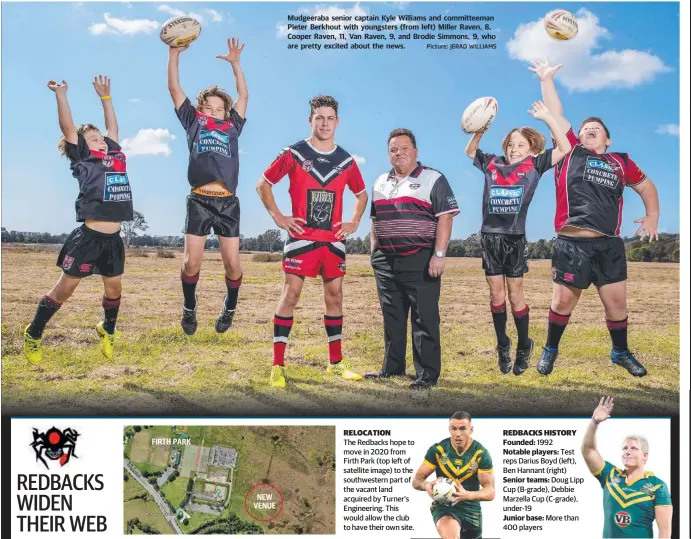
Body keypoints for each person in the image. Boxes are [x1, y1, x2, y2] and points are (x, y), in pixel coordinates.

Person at [531, 58, 661, 377]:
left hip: (608, 246)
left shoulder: (621, 161)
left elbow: (647, 187)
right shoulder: (570, 150)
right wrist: (546, 80)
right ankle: (550, 350)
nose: (589, 130)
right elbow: (557, 116)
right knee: (562, 304)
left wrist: (652, 216)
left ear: (608, 140)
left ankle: (620, 352)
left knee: (617, 305)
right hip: (571, 244)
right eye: (586, 128)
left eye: (596, 129)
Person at [256, 95, 368, 388]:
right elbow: (262, 184)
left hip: (333, 242)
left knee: (334, 299)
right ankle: (277, 366)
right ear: (310, 120)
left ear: (337, 122)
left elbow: (362, 194)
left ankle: (335, 364)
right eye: (319, 117)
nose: (325, 123)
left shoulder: (345, 160)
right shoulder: (293, 154)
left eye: (330, 118)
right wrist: (279, 217)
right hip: (301, 239)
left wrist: (354, 222)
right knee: (290, 296)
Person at [23, 76, 133, 363]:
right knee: (65, 289)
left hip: (113, 239)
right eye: (94, 139)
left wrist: (106, 99)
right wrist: (61, 95)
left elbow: (114, 128)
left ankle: (107, 330)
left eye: (102, 139)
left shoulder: (116, 155)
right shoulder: (83, 159)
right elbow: (67, 128)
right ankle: (34, 333)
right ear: (82, 146)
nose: (102, 141)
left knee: (114, 288)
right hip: (88, 238)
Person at [465, 101, 572, 375]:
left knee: (515, 295)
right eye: (511, 144)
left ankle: (525, 344)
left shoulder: (535, 165)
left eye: (521, 145)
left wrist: (548, 118)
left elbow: (564, 148)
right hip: (490, 237)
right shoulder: (493, 163)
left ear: (532, 150)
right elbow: (470, 151)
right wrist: (480, 128)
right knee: (496, 295)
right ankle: (503, 344)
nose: (514, 149)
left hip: (514, 238)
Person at [366, 129, 459, 390]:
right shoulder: (379, 182)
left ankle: (426, 375)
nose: (399, 153)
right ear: (388, 154)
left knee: (424, 318)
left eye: (405, 148)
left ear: (416, 152)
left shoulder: (433, 178)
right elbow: (375, 219)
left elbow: (446, 217)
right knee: (392, 316)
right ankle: (392, 368)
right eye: (394, 149)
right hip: (386, 261)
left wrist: (439, 255)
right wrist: (374, 252)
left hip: (420, 258)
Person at [167, 37, 248, 335]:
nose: (214, 111)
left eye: (219, 108)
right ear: (201, 108)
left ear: (226, 112)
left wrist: (235, 64)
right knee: (191, 264)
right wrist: (174, 53)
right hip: (199, 201)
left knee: (233, 266)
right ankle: (189, 308)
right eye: (209, 107)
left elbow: (243, 96)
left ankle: (230, 306)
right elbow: (174, 88)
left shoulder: (233, 125)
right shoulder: (194, 121)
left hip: (228, 202)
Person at [582, 397, 673, 538]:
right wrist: (595, 421)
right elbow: (588, 451)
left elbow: (665, 532)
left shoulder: (657, 486)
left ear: (645, 456)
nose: (627, 452)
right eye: (625, 448)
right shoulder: (610, 475)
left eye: (634, 448)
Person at [412, 411, 495, 539]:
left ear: (471, 430)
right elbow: (417, 480)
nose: (457, 434)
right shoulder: (438, 450)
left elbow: (490, 492)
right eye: (453, 428)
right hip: (445, 507)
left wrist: (468, 495)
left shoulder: (480, 454)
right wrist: (426, 485)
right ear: (449, 429)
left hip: (471, 509)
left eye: (462, 429)